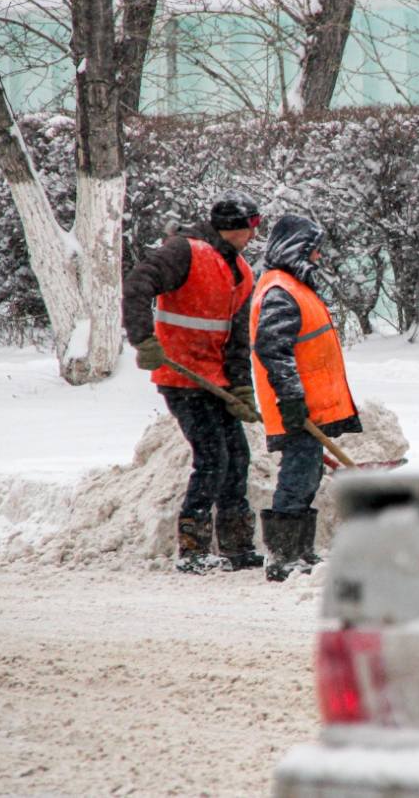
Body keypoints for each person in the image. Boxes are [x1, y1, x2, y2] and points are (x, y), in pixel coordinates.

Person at [122, 191, 263, 574]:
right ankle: (193, 546)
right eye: (250, 227)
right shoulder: (185, 251)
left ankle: (237, 545)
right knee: (213, 456)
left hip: (215, 378)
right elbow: (138, 283)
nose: (253, 235)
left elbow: (236, 338)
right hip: (180, 375)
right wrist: (143, 338)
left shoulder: (243, 272)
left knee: (237, 457)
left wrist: (241, 388)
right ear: (231, 227)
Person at [249, 214, 361, 583]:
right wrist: (292, 398)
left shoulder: (293, 286)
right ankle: (282, 557)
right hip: (296, 405)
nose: (318, 257)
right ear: (295, 249)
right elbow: (273, 349)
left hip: (306, 403)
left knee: (307, 471)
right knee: (297, 476)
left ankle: (298, 551)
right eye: (313, 249)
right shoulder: (280, 290)